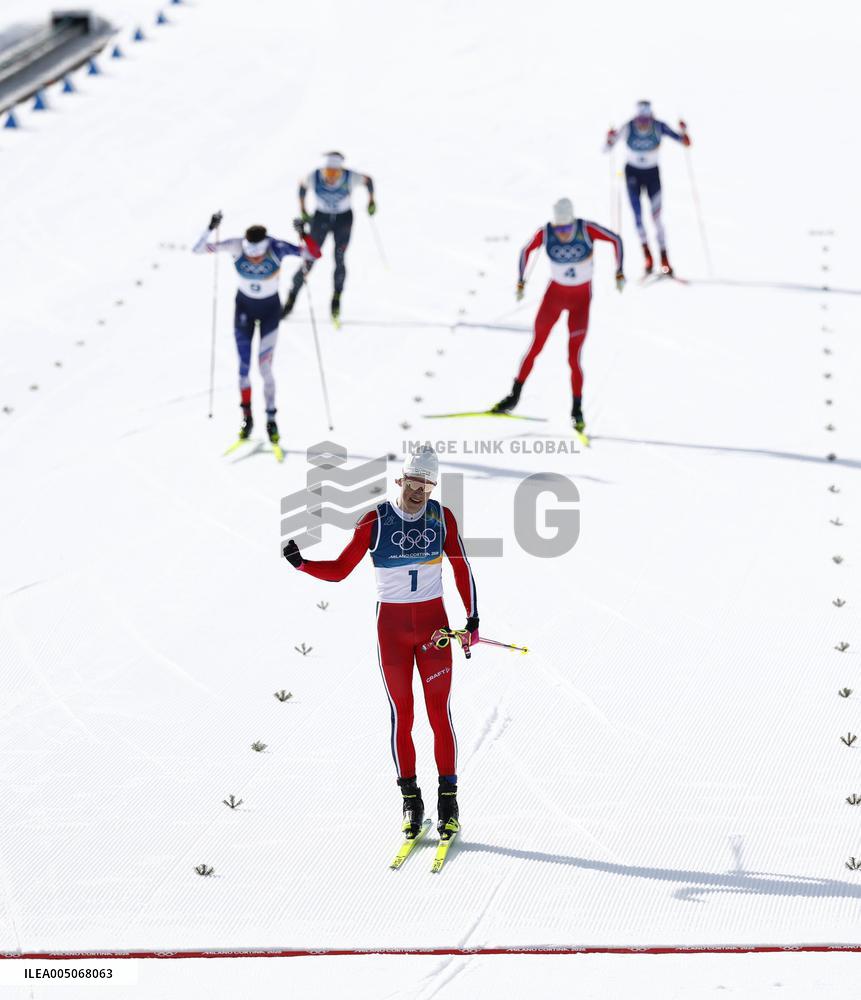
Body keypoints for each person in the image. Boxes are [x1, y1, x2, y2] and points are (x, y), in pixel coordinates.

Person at [282, 446, 478, 842]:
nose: (420, 490)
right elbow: (340, 570)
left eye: (428, 483)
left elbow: (461, 566)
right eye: (414, 481)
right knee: (402, 716)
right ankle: (411, 801)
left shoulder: (443, 518)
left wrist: (472, 619)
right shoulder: (375, 520)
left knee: (439, 714)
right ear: (400, 480)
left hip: (434, 630)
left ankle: (448, 803)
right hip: (391, 633)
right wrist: (303, 564)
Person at [491, 198, 624, 434]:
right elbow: (525, 251)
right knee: (536, 347)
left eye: (566, 228)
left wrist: (619, 271)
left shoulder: (586, 229)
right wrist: (521, 280)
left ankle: (577, 410)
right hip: (554, 297)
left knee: (573, 358)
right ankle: (513, 397)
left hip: (580, 302)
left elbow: (616, 239)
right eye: (559, 228)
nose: (562, 233)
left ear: (573, 222)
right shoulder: (546, 232)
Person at [193, 213, 321, 442]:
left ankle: (271, 419)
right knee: (243, 367)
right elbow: (198, 249)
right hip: (244, 310)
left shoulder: (277, 247)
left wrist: (304, 234)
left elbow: (314, 254)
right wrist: (210, 228)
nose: (254, 260)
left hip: (270, 311)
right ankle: (247, 417)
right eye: (251, 256)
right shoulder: (235, 246)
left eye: (259, 256)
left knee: (264, 369)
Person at [281, 151, 375, 325]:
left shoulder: (350, 176)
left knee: (339, 257)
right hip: (321, 219)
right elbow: (302, 186)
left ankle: (336, 299)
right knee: (309, 258)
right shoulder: (314, 176)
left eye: (335, 173)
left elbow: (368, 180)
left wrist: (371, 201)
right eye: (328, 172)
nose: (331, 177)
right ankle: (291, 297)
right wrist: (302, 209)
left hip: (343, 220)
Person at [604, 100, 691, 276]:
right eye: (640, 120)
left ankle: (664, 259)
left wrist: (683, 130)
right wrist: (610, 137)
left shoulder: (659, 126)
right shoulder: (628, 127)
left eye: (646, 120)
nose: (643, 124)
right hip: (633, 175)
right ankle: (648, 257)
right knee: (638, 218)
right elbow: (606, 148)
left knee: (656, 217)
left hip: (652, 175)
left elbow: (685, 142)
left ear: (652, 116)